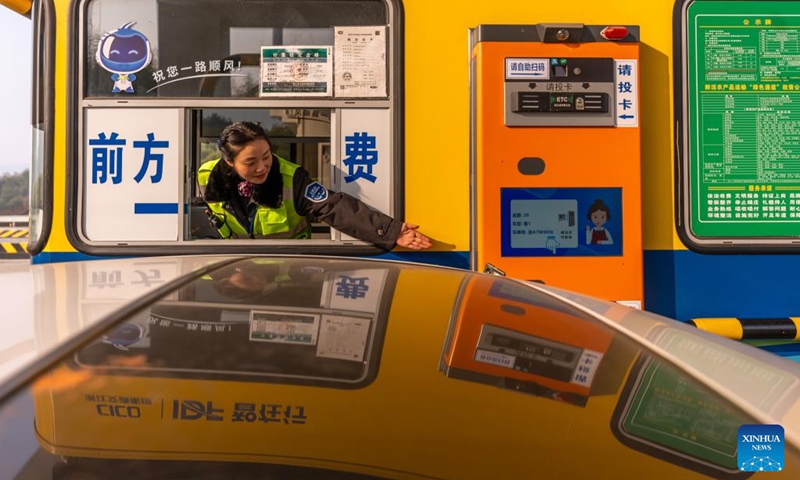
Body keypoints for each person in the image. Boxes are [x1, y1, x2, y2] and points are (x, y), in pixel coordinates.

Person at [198, 121, 431, 251]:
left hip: (289, 276)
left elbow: (333, 207)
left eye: (267, 156)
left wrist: (389, 231)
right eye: (251, 162)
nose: (262, 167)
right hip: (236, 272)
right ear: (229, 161)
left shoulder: (291, 178)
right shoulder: (207, 178)